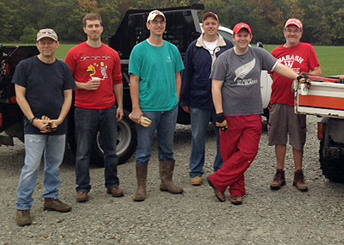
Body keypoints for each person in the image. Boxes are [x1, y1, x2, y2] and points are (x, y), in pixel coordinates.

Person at [208, 22, 302, 205]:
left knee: (248, 152)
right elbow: (215, 86)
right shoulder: (224, 59)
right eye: (239, 35)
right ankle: (236, 191)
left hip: (252, 114)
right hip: (230, 115)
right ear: (233, 38)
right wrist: (219, 114)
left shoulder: (258, 54)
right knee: (230, 155)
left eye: (246, 35)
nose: (242, 39)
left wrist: (297, 77)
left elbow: (278, 67)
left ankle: (217, 181)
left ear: (250, 37)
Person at [13, 28, 76, 226]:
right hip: (34, 126)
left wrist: (59, 120)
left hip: (58, 124)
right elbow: (20, 96)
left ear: (57, 45)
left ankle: (51, 198)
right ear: (38, 44)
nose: (46, 45)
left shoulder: (63, 68)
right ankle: (23, 207)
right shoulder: (26, 66)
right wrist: (33, 120)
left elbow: (68, 96)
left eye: (50, 42)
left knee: (54, 164)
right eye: (43, 42)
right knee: (31, 166)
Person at [65, 13, 124, 203]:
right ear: (84, 29)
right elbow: (65, 81)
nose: (93, 29)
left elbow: (117, 81)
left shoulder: (111, 53)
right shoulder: (75, 53)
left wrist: (120, 105)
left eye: (97, 26)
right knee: (83, 151)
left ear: (102, 28)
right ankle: (82, 188)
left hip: (108, 108)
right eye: (90, 26)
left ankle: (112, 184)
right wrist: (83, 86)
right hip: (84, 109)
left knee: (111, 150)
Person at [129, 10, 185, 201]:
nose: (158, 25)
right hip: (148, 109)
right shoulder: (139, 50)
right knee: (144, 149)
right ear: (148, 26)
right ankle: (141, 187)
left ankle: (166, 181)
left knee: (167, 147)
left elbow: (178, 75)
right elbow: (134, 80)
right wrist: (136, 108)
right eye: (155, 22)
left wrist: (176, 98)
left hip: (169, 108)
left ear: (165, 25)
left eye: (161, 22)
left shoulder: (172, 49)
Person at [268, 18, 321, 192]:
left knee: (298, 139)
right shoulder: (276, 52)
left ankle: (298, 174)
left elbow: (317, 72)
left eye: (295, 31)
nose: (292, 34)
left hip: (298, 102)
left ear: (301, 33)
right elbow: (271, 74)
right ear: (284, 32)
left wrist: (304, 76)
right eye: (289, 30)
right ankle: (279, 172)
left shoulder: (307, 49)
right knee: (279, 138)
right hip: (278, 100)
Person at [181, 12, 233, 186]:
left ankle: (220, 170)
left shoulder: (228, 46)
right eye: (207, 23)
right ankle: (196, 170)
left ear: (218, 25)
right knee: (197, 136)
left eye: (213, 23)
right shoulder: (194, 47)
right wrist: (185, 99)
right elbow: (187, 74)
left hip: (222, 102)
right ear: (203, 26)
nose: (210, 26)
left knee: (222, 137)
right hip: (198, 100)